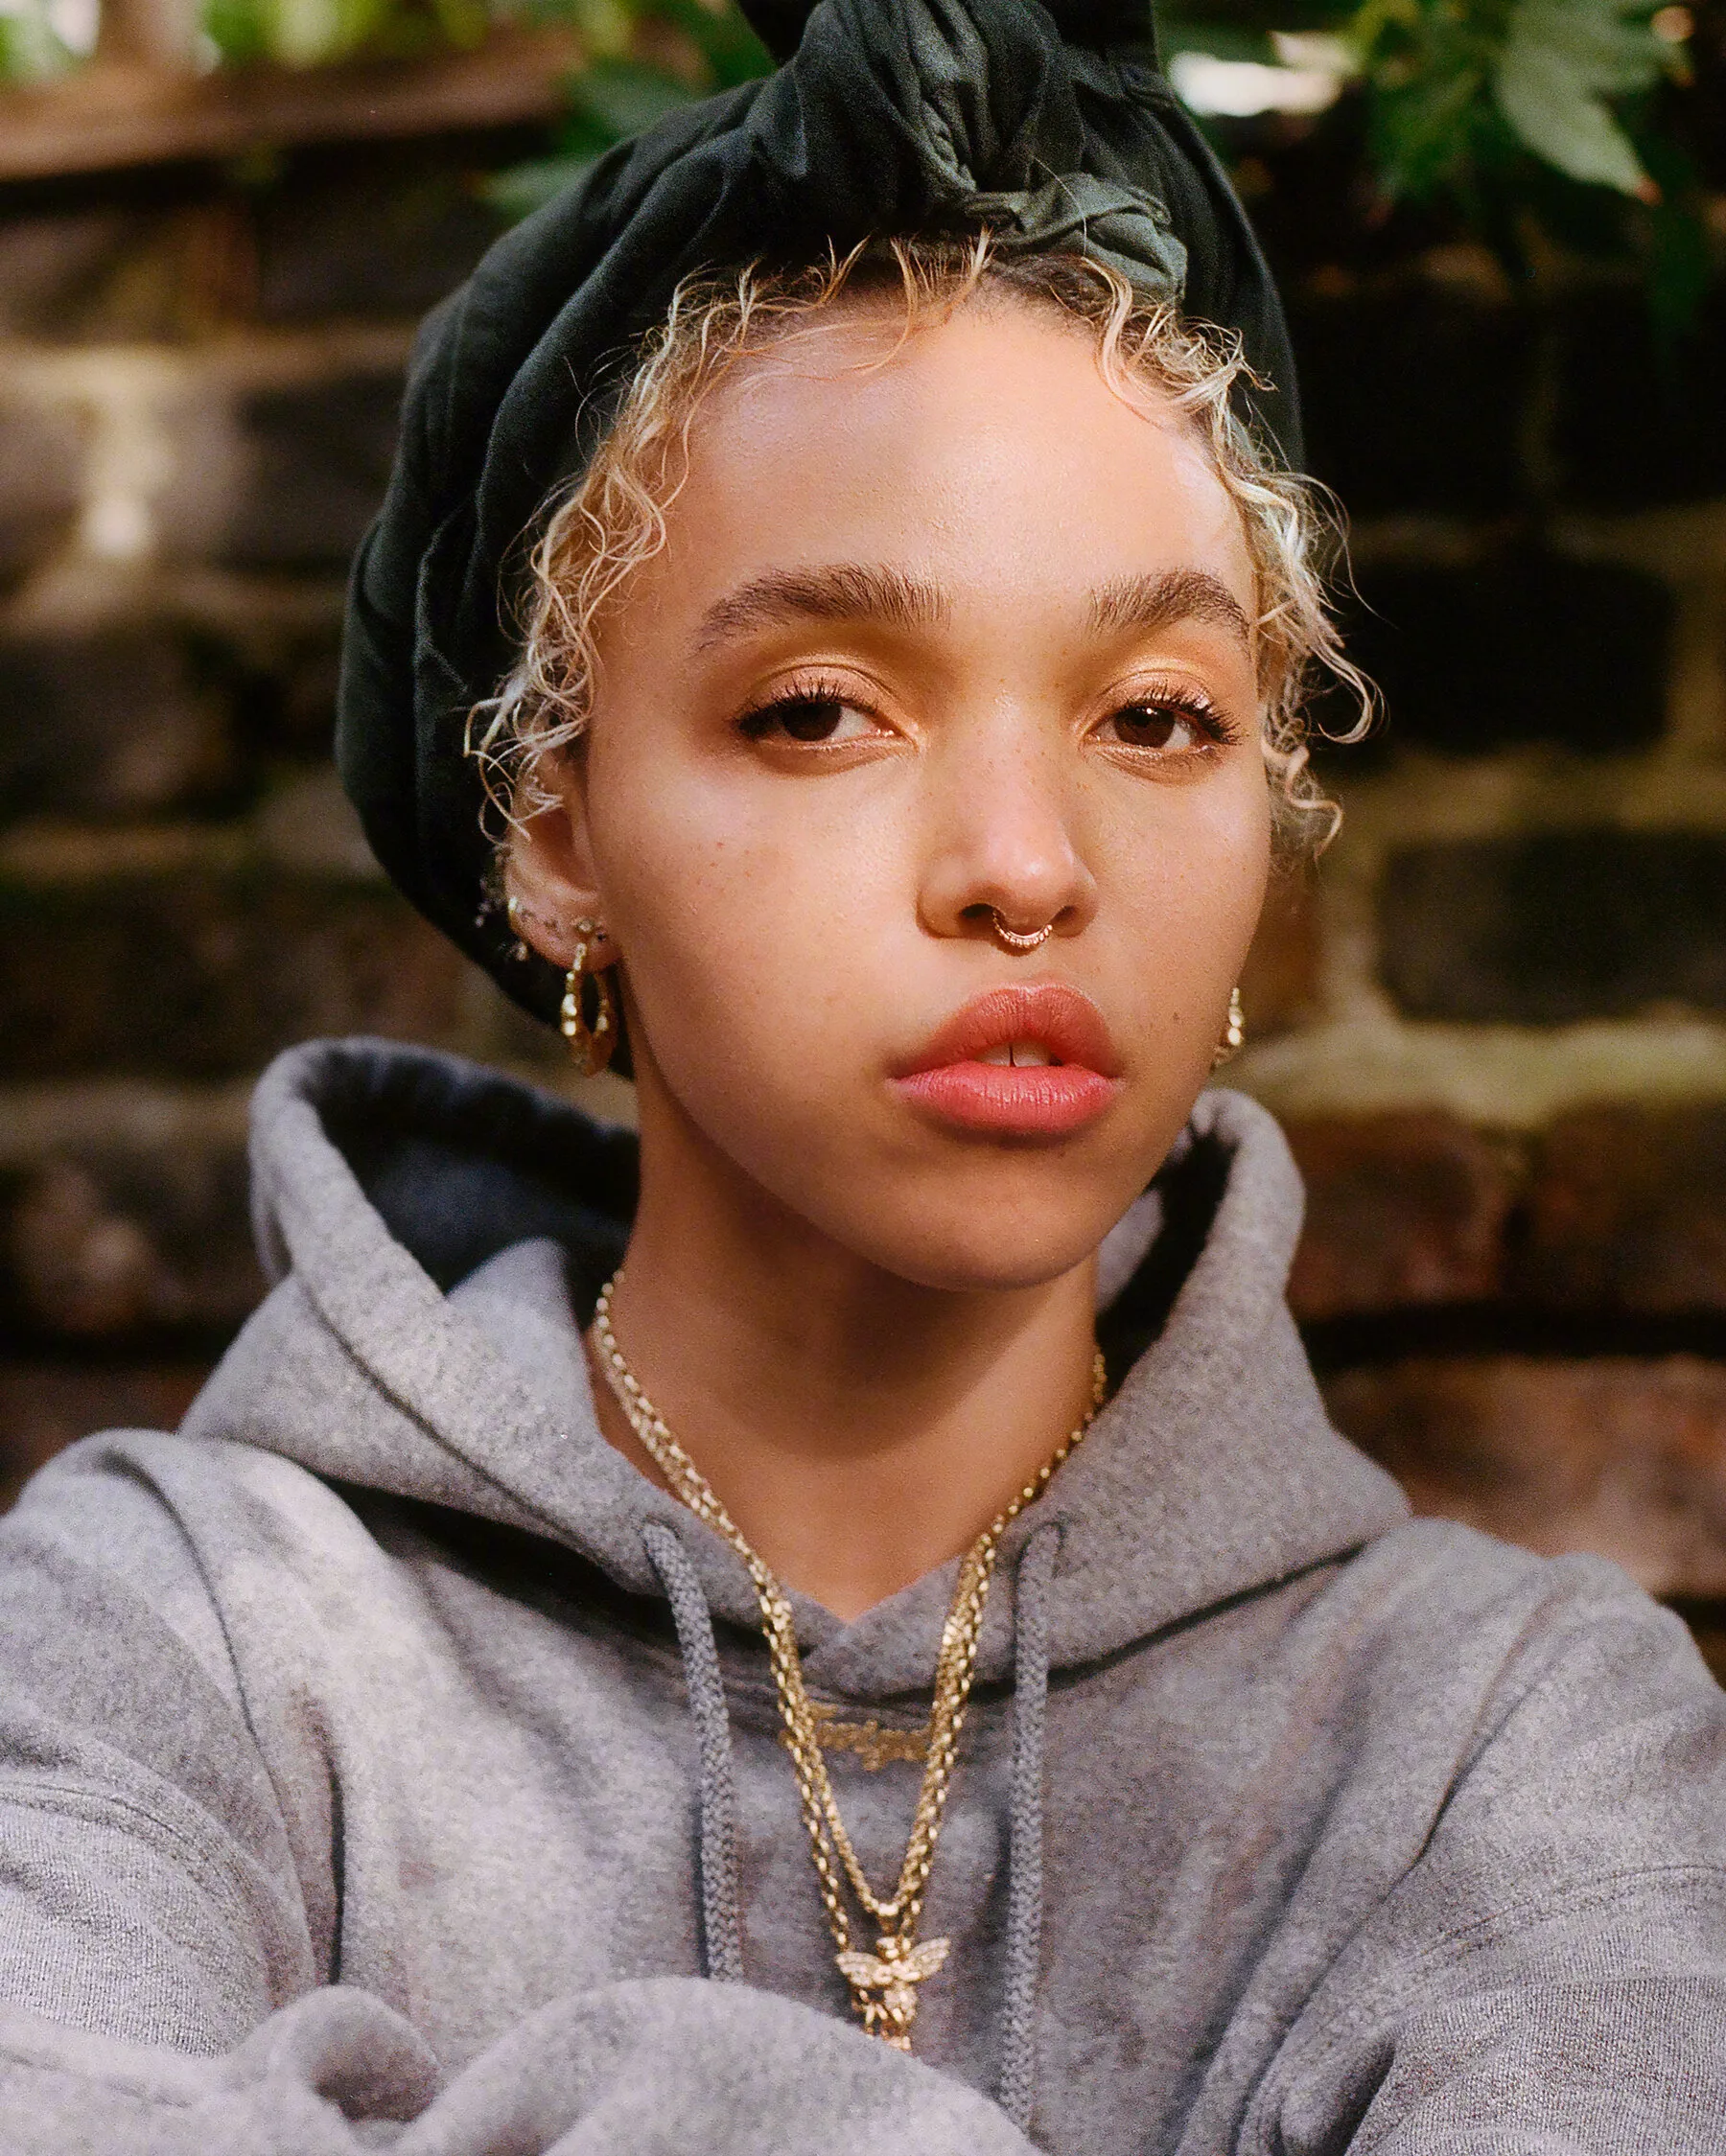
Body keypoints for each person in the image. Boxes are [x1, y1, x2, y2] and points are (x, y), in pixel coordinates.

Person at [2, 4, 1723, 2151]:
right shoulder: (169, 1641)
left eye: (1160, 718)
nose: (1027, 866)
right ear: (556, 825)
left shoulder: (1515, 1747)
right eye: (822, 708)